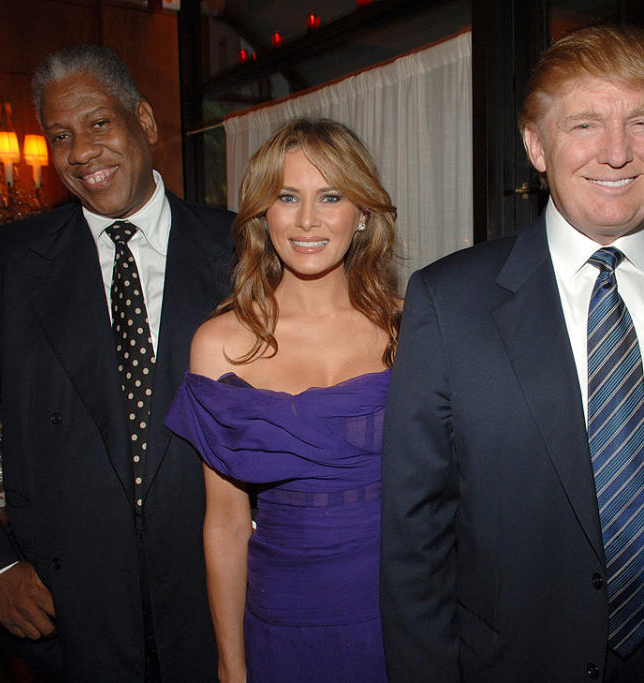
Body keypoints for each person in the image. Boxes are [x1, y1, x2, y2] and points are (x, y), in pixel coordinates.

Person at [380, 24, 644, 682]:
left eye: (640, 122)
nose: (616, 152)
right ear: (535, 144)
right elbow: (415, 541)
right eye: (584, 123)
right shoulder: (449, 303)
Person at [0, 44, 232, 681]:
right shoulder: (8, 261)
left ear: (143, 121)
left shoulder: (241, 245)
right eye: (60, 134)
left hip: (217, 599)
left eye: (98, 123)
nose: (81, 151)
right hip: (68, 609)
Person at [165, 118, 399, 682]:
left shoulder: (406, 330)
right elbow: (224, 522)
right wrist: (230, 665)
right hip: (283, 621)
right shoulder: (219, 344)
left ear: (362, 214)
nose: (308, 220)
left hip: (401, 612)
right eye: (287, 197)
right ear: (263, 214)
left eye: (331, 196)